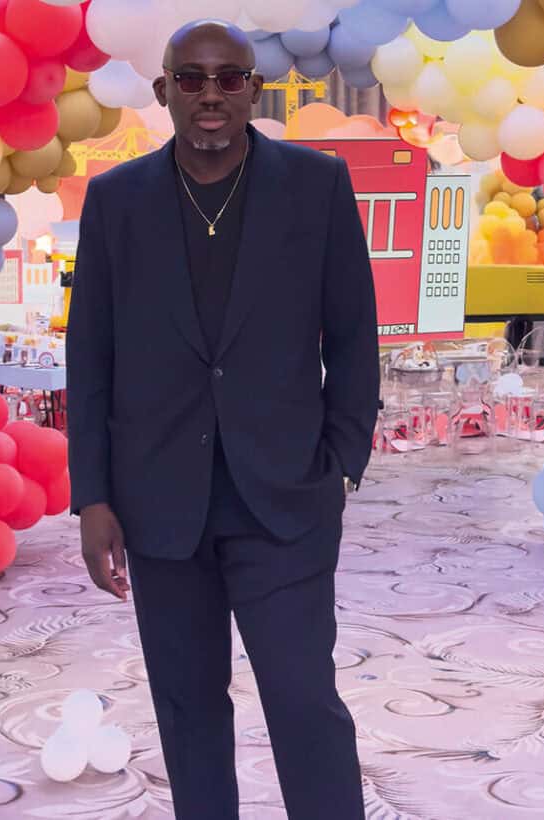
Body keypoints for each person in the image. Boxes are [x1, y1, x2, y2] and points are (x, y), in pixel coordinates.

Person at [65, 18, 379, 820]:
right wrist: (92, 496)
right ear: (164, 89)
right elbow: (90, 355)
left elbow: (353, 334)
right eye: (193, 78)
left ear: (254, 90)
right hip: (159, 503)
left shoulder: (316, 186)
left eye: (229, 78)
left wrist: (342, 462)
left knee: (304, 702)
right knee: (188, 708)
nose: (211, 94)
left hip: (285, 498)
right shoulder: (117, 200)